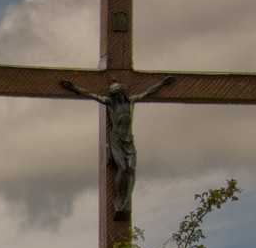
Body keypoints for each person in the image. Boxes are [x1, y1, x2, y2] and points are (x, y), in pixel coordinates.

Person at [60, 75, 176, 219]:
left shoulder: (131, 102)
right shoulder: (110, 103)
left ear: (122, 93)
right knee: (123, 168)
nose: (117, 96)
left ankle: (126, 199)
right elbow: (91, 95)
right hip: (116, 140)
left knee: (131, 169)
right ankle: (120, 198)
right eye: (114, 94)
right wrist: (73, 87)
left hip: (128, 140)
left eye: (118, 94)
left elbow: (148, 92)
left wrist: (163, 83)